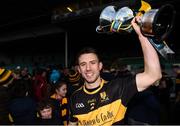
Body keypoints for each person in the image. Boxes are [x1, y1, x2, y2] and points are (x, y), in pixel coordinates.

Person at [69, 16, 162, 125]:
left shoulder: (118, 88)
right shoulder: (74, 98)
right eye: (83, 64)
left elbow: (154, 75)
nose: (88, 68)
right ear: (79, 69)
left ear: (100, 66)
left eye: (92, 63)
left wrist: (142, 35)